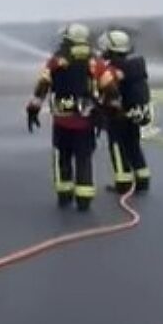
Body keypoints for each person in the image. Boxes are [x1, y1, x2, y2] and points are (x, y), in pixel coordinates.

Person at [26, 23, 117, 211]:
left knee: (62, 156)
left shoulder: (56, 61)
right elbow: (110, 89)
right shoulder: (95, 62)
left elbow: (42, 86)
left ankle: (64, 194)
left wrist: (33, 109)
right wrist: (107, 110)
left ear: (68, 39)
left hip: (62, 121)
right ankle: (84, 199)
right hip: (86, 121)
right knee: (84, 158)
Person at [97, 29, 153, 193]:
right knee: (133, 146)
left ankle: (123, 183)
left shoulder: (115, 69)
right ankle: (143, 179)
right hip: (135, 113)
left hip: (119, 115)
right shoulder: (135, 66)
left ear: (111, 49)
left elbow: (107, 89)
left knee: (117, 147)